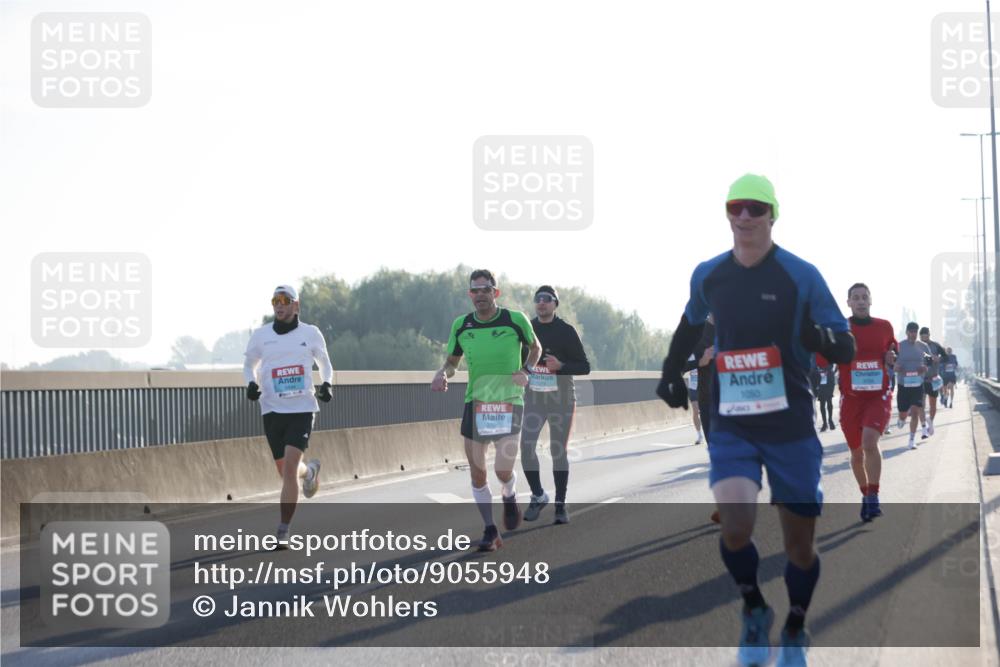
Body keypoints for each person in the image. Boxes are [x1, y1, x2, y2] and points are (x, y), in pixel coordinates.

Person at [656, 174, 855, 665]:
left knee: (799, 548)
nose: (744, 217)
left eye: (756, 208)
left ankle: (795, 624)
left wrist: (817, 339)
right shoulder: (709, 274)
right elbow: (689, 322)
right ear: (727, 213)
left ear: (772, 215)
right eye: (736, 207)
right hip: (732, 419)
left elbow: (845, 344)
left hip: (790, 421)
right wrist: (669, 371)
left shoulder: (800, 275)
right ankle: (754, 608)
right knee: (736, 524)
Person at [432, 269, 542, 551]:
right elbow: (452, 362)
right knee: (477, 473)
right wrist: (443, 373)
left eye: (485, 289)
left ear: (496, 292)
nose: (480, 295)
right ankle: (490, 530)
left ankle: (509, 492)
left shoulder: (514, 319)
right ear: (470, 294)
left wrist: (526, 370)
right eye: (475, 290)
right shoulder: (462, 325)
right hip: (476, 402)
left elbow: (535, 347)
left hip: (509, 402)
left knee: (502, 469)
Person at [243, 285, 332, 547]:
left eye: (285, 301)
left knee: (290, 468)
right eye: (275, 301)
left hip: (302, 408)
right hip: (271, 409)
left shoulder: (310, 333)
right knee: (286, 473)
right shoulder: (261, 336)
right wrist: (250, 384)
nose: (279, 305)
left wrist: (327, 384)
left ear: (296, 305)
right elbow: (249, 365)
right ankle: (311, 471)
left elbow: (325, 363)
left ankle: (283, 530)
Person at [823, 283, 896, 522]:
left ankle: (874, 496)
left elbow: (892, 346)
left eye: (865, 297)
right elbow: (821, 358)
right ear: (849, 303)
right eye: (856, 298)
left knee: (869, 443)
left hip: (878, 395)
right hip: (851, 399)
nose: (861, 301)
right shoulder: (839, 329)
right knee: (856, 454)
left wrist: (891, 356)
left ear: (871, 300)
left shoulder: (884, 326)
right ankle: (865, 494)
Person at [520, 286, 591, 525]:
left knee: (557, 451)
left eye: (547, 299)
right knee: (526, 447)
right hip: (534, 399)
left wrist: (561, 366)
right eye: (538, 299)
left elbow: (584, 366)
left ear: (555, 304)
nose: (541, 303)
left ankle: (560, 505)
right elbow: (518, 361)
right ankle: (538, 495)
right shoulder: (528, 330)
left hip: (561, 400)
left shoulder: (566, 331)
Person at [896, 323, 932, 450]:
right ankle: (901, 419)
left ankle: (911, 440)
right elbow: (892, 363)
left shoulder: (923, 346)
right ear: (906, 332)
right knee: (903, 413)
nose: (913, 334)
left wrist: (925, 368)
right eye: (910, 332)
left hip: (917, 384)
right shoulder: (899, 346)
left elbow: (929, 362)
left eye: (915, 332)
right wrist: (896, 367)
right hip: (903, 384)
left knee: (915, 411)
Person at [919, 327, 946, 435]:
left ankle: (930, 421)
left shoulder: (936, 345)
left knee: (933, 405)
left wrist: (939, 359)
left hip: (933, 378)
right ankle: (924, 427)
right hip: (920, 379)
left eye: (926, 337)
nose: (924, 339)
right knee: (921, 404)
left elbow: (946, 357)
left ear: (929, 335)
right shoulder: (916, 346)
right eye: (922, 337)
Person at [685, 354, 705, 445]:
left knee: (705, 411)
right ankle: (699, 435)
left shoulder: (703, 351)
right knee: (696, 411)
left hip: (704, 386)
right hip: (693, 387)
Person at [813, 358, 836, 432]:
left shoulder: (828, 350)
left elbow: (832, 364)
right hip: (820, 378)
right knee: (822, 402)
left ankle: (830, 420)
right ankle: (825, 423)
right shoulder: (815, 352)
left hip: (828, 377)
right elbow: (813, 366)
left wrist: (827, 370)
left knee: (829, 400)